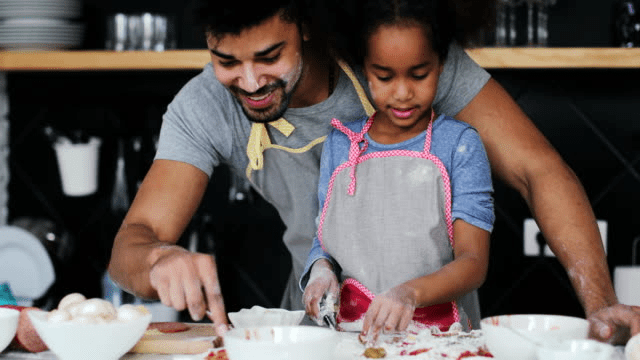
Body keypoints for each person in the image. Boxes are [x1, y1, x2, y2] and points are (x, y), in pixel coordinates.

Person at [106, 0, 640, 344]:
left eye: (269, 56)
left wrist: (601, 306)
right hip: (320, 336)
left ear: (307, 26)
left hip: (439, 337)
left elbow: (538, 170)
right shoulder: (205, 105)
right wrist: (158, 258)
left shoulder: (396, 59)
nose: (249, 81)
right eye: (226, 61)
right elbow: (133, 243)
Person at [300, 0, 494, 340]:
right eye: (384, 76)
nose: (403, 93)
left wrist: (410, 293)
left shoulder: (459, 144)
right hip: (347, 338)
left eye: (419, 75)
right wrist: (320, 271)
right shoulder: (339, 144)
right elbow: (325, 242)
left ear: (442, 65)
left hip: (434, 339)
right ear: (363, 68)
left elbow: (473, 262)